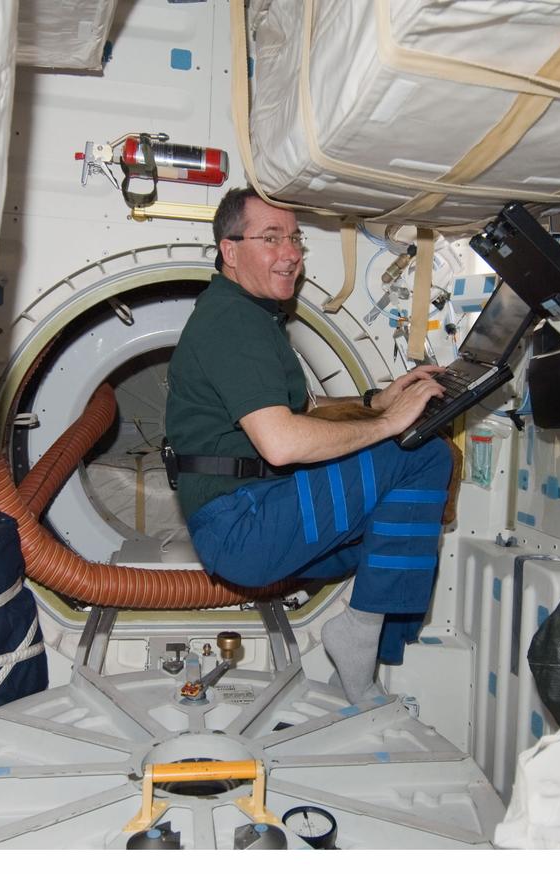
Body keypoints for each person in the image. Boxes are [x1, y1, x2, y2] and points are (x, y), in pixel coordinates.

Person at [164, 186, 452, 706]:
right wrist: (390, 425)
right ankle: (360, 644)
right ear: (230, 251)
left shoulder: (250, 317)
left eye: (294, 237)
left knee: (394, 535)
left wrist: (376, 401)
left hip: (245, 516)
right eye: (270, 237)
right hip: (243, 526)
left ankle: (360, 649)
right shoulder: (234, 323)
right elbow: (279, 442)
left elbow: (301, 408)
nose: (291, 251)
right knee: (424, 454)